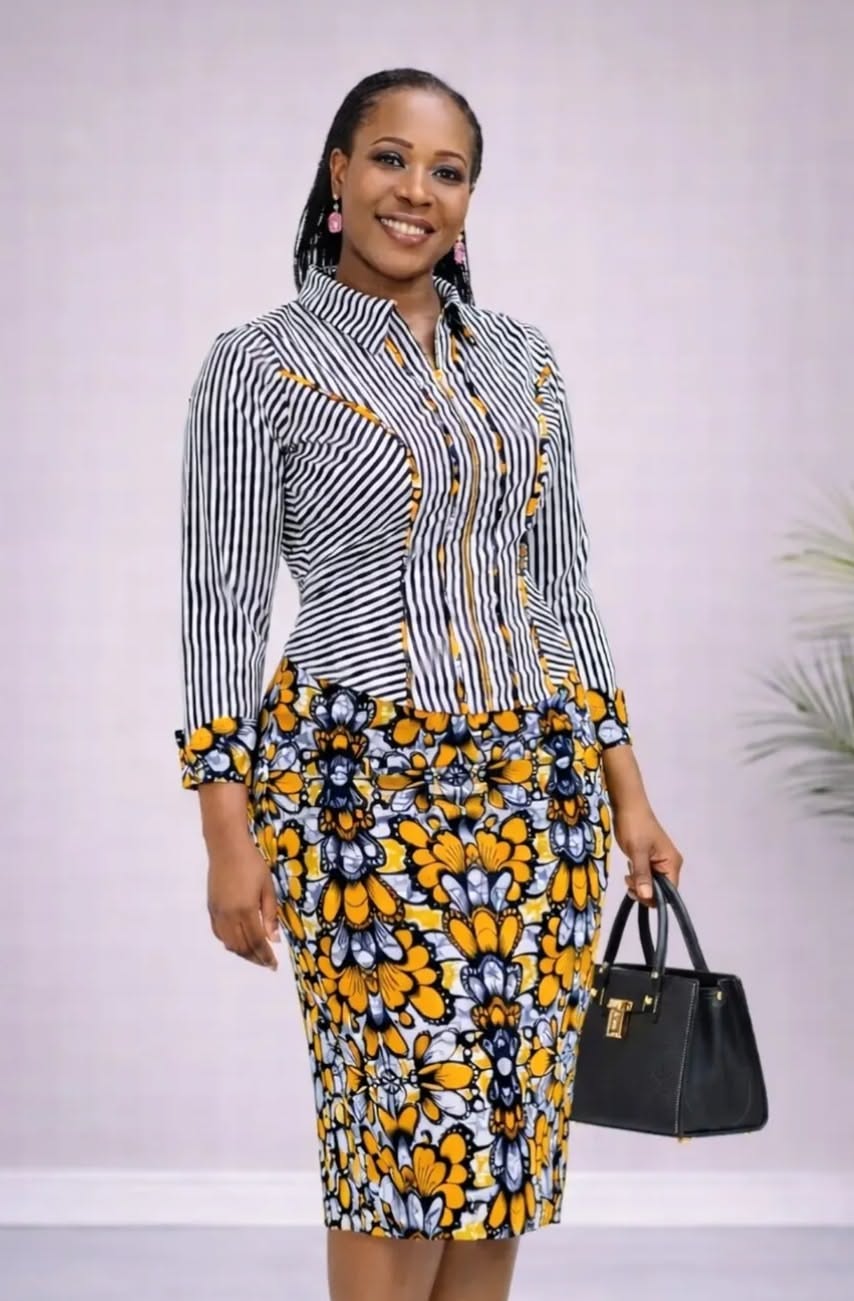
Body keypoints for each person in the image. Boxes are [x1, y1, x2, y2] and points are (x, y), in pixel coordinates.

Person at [174, 66, 683, 1301]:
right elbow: (221, 615)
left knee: (501, 1142)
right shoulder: (258, 364)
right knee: (395, 1143)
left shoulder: (522, 362)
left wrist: (628, 792)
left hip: (538, 798)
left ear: (467, 197)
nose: (416, 191)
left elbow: (559, 589)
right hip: (358, 794)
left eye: (446, 171)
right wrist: (227, 838)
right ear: (338, 173)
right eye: (390, 159)